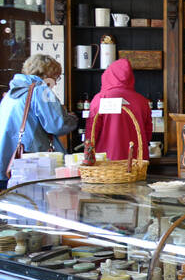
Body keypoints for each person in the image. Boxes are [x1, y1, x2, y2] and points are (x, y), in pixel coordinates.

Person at [0, 55, 78, 187]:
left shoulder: (10, 94)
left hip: (6, 160)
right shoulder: (41, 90)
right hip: (32, 163)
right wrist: (72, 119)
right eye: (56, 77)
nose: (56, 82)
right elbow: (57, 125)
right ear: (48, 74)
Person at [87, 58, 153, 161]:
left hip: (106, 161)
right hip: (137, 160)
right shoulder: (143, 101)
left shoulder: (101, 98)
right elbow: (147, 133)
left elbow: (92, 133)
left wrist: (87, 155)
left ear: (108, 75)